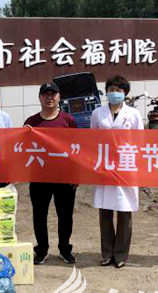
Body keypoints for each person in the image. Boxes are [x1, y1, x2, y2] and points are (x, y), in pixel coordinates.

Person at [90, 75, 144, 269]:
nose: (115, 93)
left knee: (124, 212)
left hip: (125, 166)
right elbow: (92, 139)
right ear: (106, 92)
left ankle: (120, 254)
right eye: (111, 90)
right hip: (104, 166)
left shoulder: (134, 114)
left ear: (125, 93)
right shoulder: (97, 113)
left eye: (119, 90)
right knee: (105, 212)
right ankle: (106, 253)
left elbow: (140, 141)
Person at [24, 82, 78, 265]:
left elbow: (76, 149)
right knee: (39, 215)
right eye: (45, 94)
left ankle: (65, 249)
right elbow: (23, 149)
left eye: (53, 94)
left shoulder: (68, 121)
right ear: (39, 97)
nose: (49, 98)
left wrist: (76, 174)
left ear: (59, 97)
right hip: (39, 178)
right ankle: (41, 249)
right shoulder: (31, 122)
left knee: (65, 215)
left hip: (64, 178)